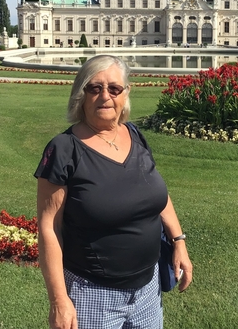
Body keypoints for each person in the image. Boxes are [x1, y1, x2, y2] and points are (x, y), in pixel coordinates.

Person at [35, 55, 192, 329]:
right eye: (94, 88)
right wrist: (59, 300)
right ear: (80, 94)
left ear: (125, 94)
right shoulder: (64, 149)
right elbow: (49, 227)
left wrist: (178, 240)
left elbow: (157, 195)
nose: (104, 96)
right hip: (93, 296)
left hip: (148, 290)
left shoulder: (134, 135)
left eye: (114, 89)